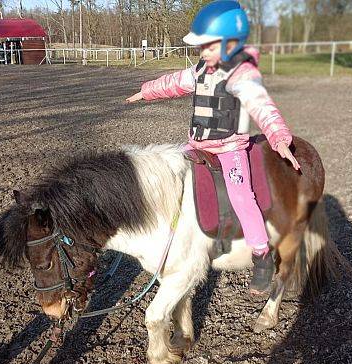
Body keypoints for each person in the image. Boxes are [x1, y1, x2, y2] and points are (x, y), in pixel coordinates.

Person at [126, 0, 300, 294]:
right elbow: (172, 83)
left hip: (229, 149)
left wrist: (280, 138)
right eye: (201, 47)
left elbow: (263, 108)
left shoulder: (242, 75)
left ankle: (261, 255)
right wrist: (146, 91)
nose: (202, 52)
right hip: (196, 146)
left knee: (241, 194)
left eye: (208, 46)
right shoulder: (199, 70)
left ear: (231, 43)